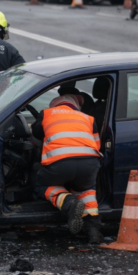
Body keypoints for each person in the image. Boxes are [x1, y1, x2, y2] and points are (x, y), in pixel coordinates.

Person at [32, 94, 103, 243]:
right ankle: (93, 231)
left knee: (42, 184)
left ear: (54, 105)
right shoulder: (88, 118)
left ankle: (70, 203)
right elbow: (97, 145)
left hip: (60, 163)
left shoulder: (46, 113)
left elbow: (36, 134)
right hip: (89, 163)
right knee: (86, 191)